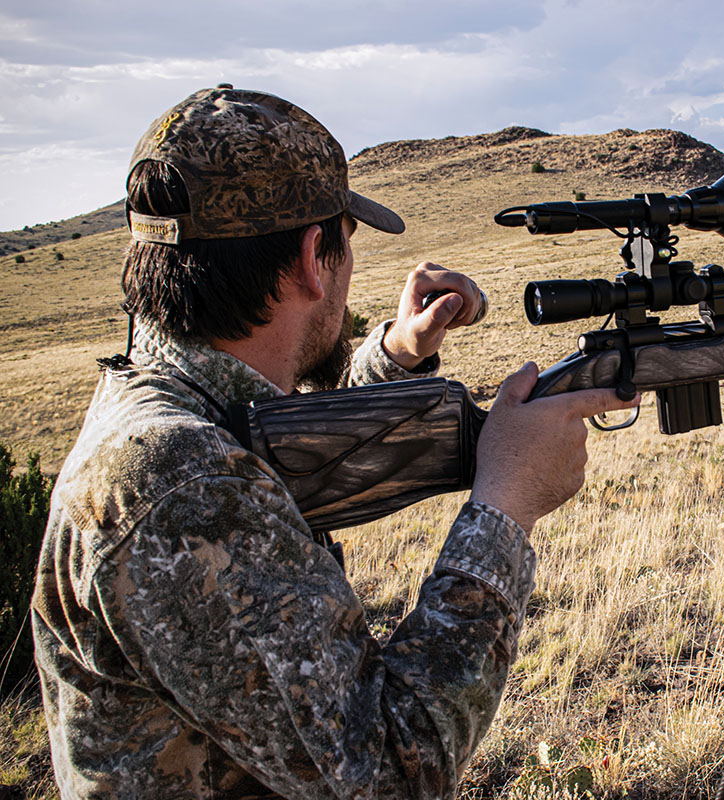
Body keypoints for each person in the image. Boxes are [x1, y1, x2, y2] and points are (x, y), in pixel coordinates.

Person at [31, 85, 637, 799]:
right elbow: (389, 773)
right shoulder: (184, 487)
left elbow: (264, 435)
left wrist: (393, 357)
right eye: (346, 242)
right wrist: (506, 505)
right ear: (315, 258)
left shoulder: (173, 408)